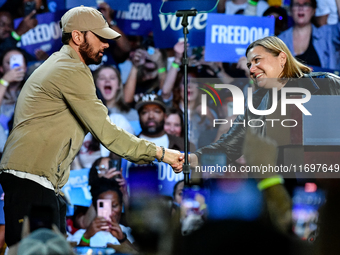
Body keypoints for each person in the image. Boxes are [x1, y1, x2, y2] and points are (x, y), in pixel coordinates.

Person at [0, 6, 183, 249]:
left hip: (34, 178)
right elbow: (107, 133)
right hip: (32, 179)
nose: (106, 45)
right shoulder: (70, 68)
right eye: (100, 37)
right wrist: (162, 153)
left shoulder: (60, 64)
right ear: (77, 36)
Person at [189, 35, 340, 168]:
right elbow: (228, 148)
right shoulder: (257, 105)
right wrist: (190, 159)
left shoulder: (326, 84)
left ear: (282, 58)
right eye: (249, 65)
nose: (252, 70)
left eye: (257, 60)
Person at [70, 178, 136, 251]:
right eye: (103, 206)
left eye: (114, 206)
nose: (110, 211)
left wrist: (122, 239)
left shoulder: (130, 233)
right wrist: (86, 237)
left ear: (121, 206)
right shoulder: (82, 235)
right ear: (96, 207)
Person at [278, 0, 340, 70]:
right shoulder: (280, 40)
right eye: (296, 4)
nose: (300, 8)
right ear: (291, 10)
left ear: (314, 10)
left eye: (306, 4)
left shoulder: (327, 35)